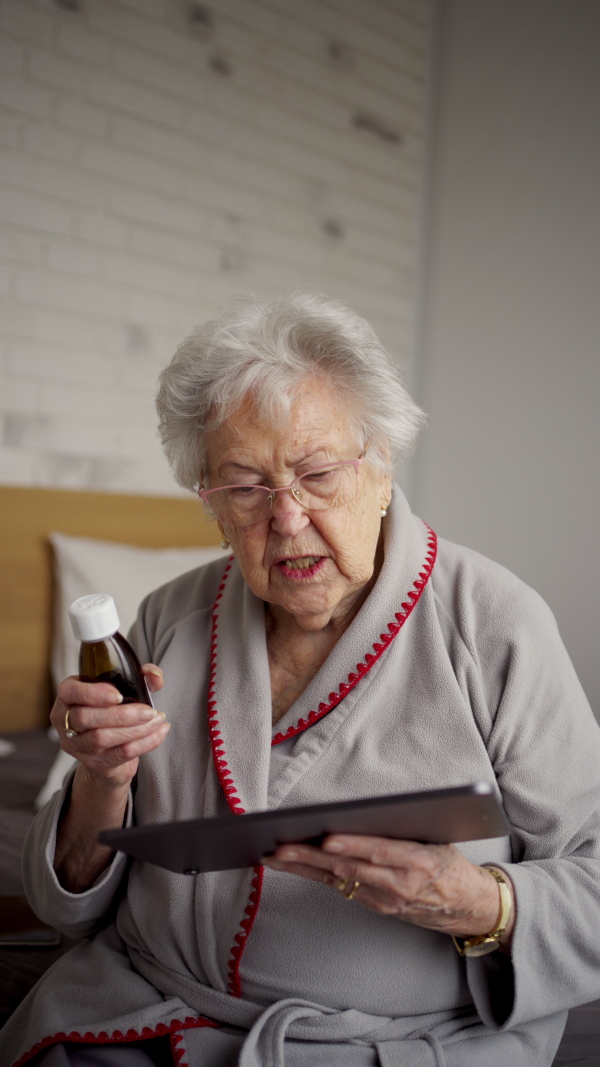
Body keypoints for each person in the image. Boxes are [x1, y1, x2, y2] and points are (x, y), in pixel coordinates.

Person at [2, 291, 600, 1067]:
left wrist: (477, 902)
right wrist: (101, 777)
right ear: (211, 504)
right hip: (147, 1011)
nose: (285, 518)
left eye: (317, 473)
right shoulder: (166, 619)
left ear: (381, 466)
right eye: (246, 487)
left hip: (394, 1048)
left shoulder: (495, 625)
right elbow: (66, 903)